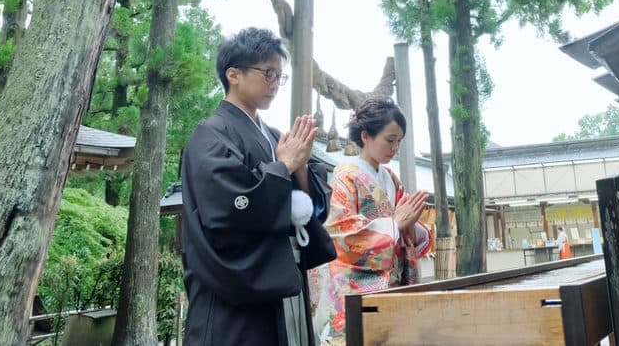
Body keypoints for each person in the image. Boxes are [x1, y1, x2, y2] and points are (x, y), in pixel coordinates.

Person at [180, 27, 336, 346]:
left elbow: (309, 208)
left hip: (281, 283)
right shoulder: (210, 136)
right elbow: (228, 210)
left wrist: (300, 165)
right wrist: (284, 167)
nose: (275, 83)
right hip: (235, 294)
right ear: (233, 74)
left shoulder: (274, 135)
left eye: (280, 75)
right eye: (268, 73)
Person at [313, 98, 432, 345]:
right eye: (390, 140)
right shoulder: (346, 176)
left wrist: (410, 225)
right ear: (366, 136)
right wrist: (394, 225)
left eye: (399, 141)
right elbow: (339, 234)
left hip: (392, 282)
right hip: (357, 288)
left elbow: (402, 226)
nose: (395, 147)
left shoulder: (391, 178)